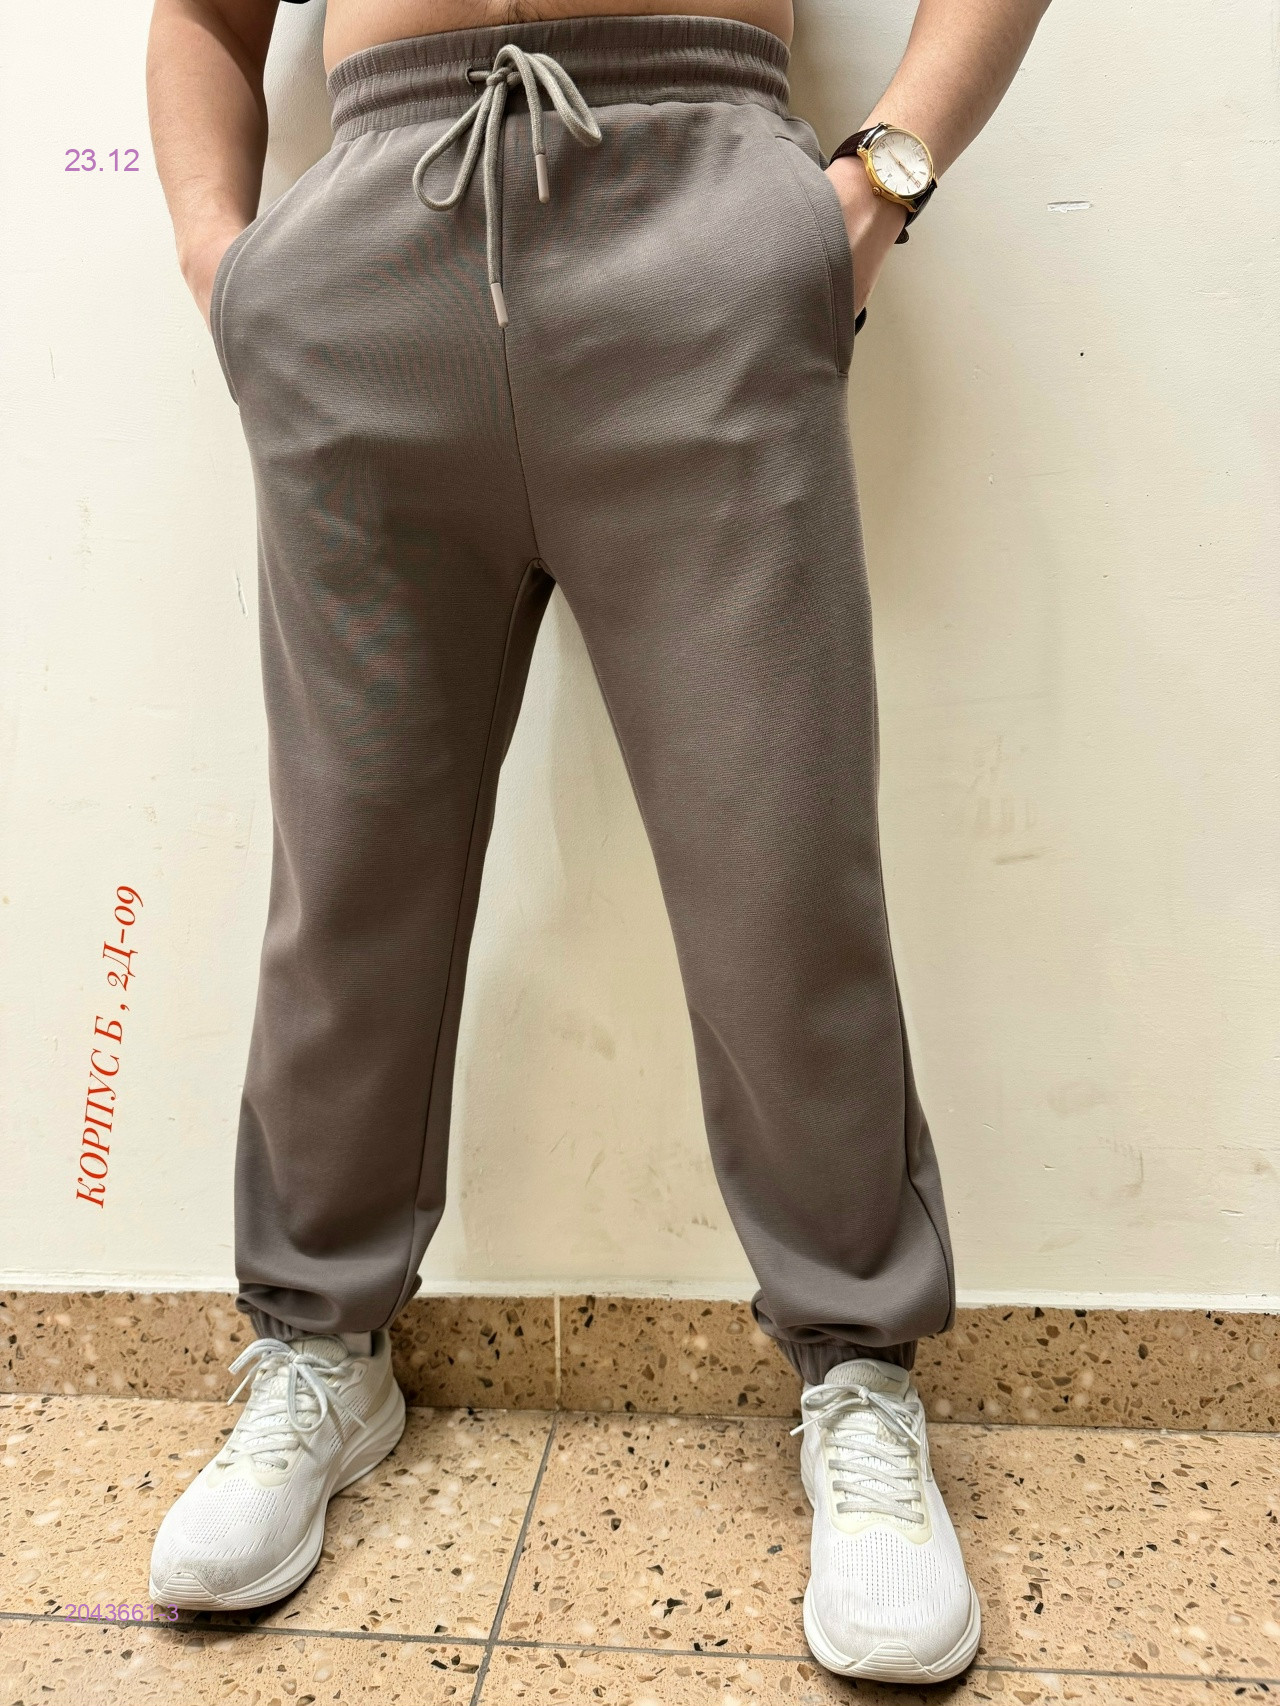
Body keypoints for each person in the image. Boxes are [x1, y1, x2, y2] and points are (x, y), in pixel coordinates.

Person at [145, 0, 1049, 1682]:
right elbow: (204, 14)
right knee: (350, 869)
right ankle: (320, 1349)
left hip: (698, 225)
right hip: (370, 262)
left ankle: (858, 1374)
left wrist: (878, 181)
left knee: (779, 862)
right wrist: (228, 266)